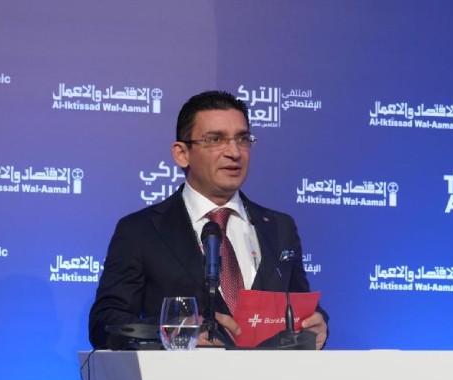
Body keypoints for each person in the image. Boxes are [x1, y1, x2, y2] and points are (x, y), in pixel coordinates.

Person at [88, 90, 328, 349]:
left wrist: (317, 324)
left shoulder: (280, 227)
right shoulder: (141, 230)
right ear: (182, 154)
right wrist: (176, 333)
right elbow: (104, 323)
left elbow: (300, 307)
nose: (234, 152)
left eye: (242, 139)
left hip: (270, 375)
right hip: (183, 375)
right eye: (215, 139)